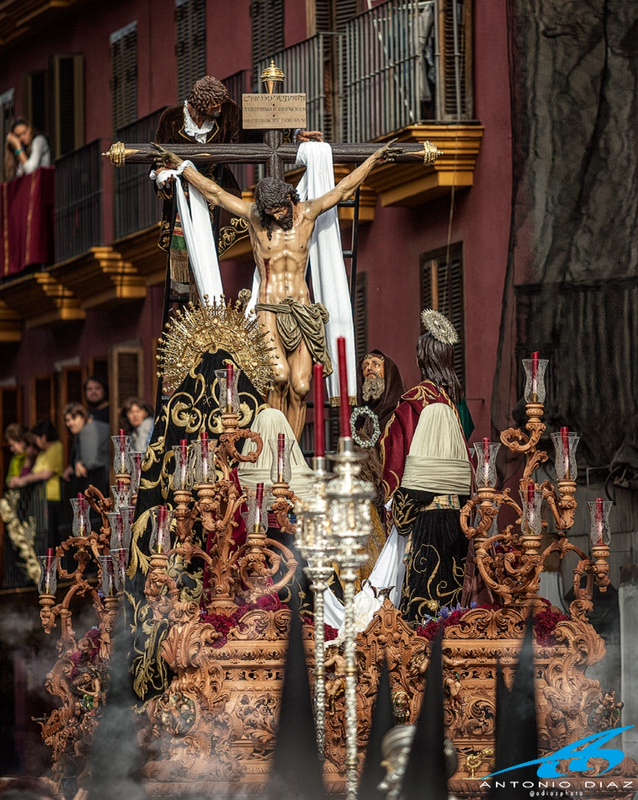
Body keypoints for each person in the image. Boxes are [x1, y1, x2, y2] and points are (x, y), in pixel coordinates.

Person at [154, 139, 402, 439]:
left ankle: (292, 456)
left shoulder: (308, 214)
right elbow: (216, 194)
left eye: (279, 210)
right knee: (278, 376)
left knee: (300, 385)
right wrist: (183, 167)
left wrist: (374, 158)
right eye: (269, 211)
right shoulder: (256, 218)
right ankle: (273, 446)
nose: (275, 215)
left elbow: (343, 189)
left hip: (302, 312)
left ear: (290, 200)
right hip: (269, 308)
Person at [154, 75, 323, 285]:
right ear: (201, 104)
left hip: (217, 187)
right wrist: (163, 174)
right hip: (183, 193)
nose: (219, 110)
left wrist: (293, 134)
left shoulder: (228, 112)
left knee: (211, 249)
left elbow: (255, 137)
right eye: (215, 106)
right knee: (186, 255)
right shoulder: (171, 119)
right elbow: (158, 157)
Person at [380, 310, 473, 623]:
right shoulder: (452, 406)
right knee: (451, 600)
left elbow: (395, 458)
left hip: (421, 517)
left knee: (418, 599)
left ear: (423, 359)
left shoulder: (413, 405)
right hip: (457, 517)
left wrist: (392, 503)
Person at [12, 420, 64, 549]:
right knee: (41, 534)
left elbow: (46, 473)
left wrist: (24, 480)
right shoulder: (42, 452)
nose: (35, 441)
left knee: (50, 535)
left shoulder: (56, 447)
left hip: (51, 498)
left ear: (44, 437)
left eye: (36, 438)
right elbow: (35, 471)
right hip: (41, 498)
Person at [62, 403, 110, 497]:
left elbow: (90, 462)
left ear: (83, 417)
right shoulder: (84, 430)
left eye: (74, 418)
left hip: (101, 481)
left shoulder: (88, 430)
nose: (70, 423)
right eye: (67, 420)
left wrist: (80, 463)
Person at [4, 118, 51, 182]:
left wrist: (18, 147)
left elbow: (30, 170)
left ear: (30, 129)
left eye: (24, 133)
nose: (22, 137)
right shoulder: (23, 149)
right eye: (18, 136)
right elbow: (19, 175)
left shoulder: (39, 140)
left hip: (43, 184)